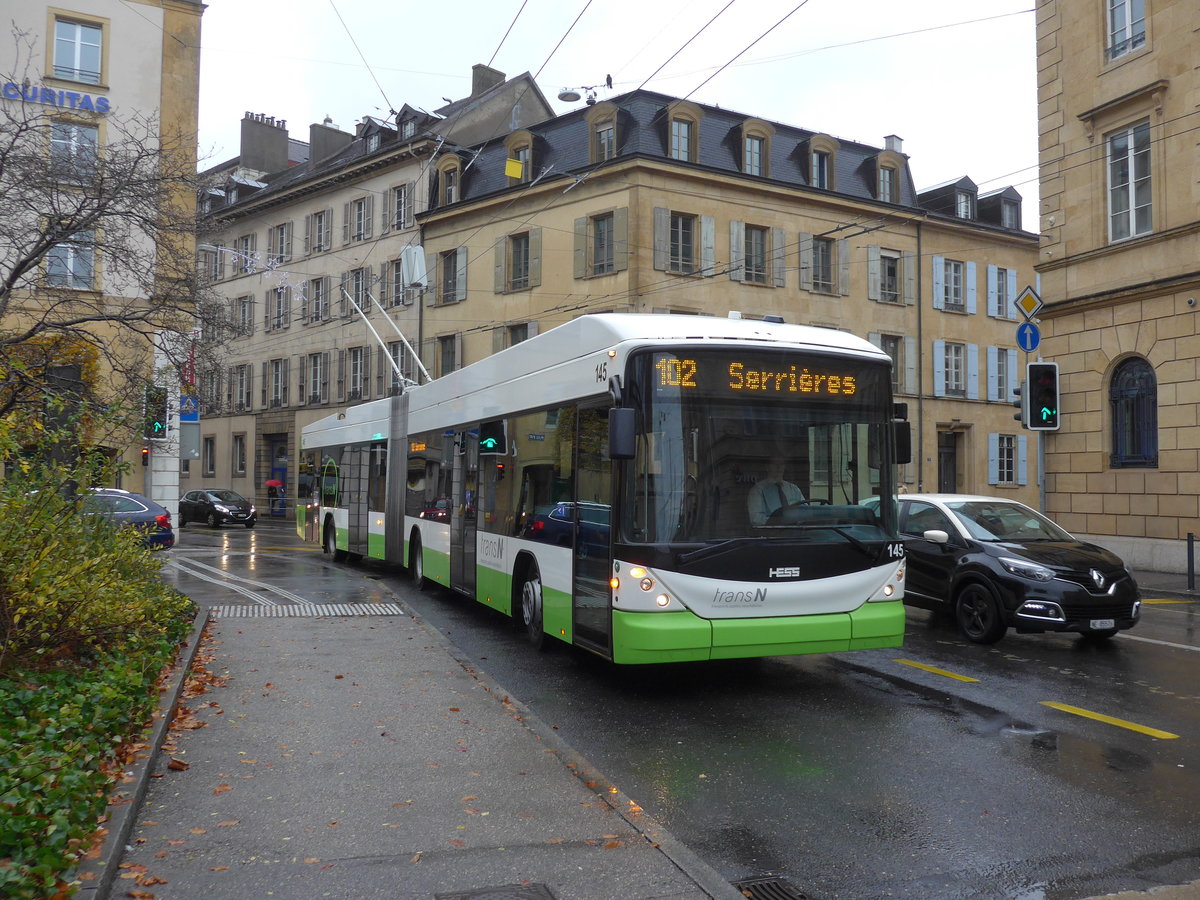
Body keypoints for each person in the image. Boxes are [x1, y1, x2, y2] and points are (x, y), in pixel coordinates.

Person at [747, 457, 805, 525]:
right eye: (775, 464)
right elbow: (755, 518)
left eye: (782, 464)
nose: (779, 467)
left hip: (795, 532)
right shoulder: (758, 490)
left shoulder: (794, 489)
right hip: (772, 533)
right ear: (767, 467)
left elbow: (805, 511)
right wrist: (777, 521)